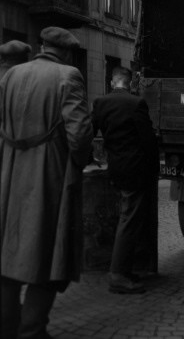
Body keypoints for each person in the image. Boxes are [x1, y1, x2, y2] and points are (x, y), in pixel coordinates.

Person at [0, 26, 93, 339]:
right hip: (49, 174)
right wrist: (79, 163)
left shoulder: (10, 76)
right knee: (49, 248)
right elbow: (79, 136)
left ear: (40, 46)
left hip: (10, 173)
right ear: (65, 51)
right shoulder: (68, 76)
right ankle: (32, 329)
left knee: (8, 249)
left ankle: (7, 326)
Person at [92, 66, 159, 294]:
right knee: (129, 220)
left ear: (112, 82)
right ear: (129, 83)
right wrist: (153, 169)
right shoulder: (135, 103)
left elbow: (89, 132)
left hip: (116, 169)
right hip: (136, 171)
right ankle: (118, 274)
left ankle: (125, 269)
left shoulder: (100, 103)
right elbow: (148, 141)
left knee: (127, 218)